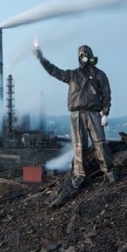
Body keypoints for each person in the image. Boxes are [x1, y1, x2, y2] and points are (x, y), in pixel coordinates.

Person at [34, 44, 118, 189]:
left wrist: (105, 113)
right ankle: (80, 175)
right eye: (81, 54)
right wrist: (42, 59)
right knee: (79, 145)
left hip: (93, 113)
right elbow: (55, 71)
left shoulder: (99, 75)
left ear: (90, 55)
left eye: (86, 54)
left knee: (100, 142)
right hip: (76, 114)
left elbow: (106, 94)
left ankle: (109, 171)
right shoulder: (72, 75)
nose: (84, 57)